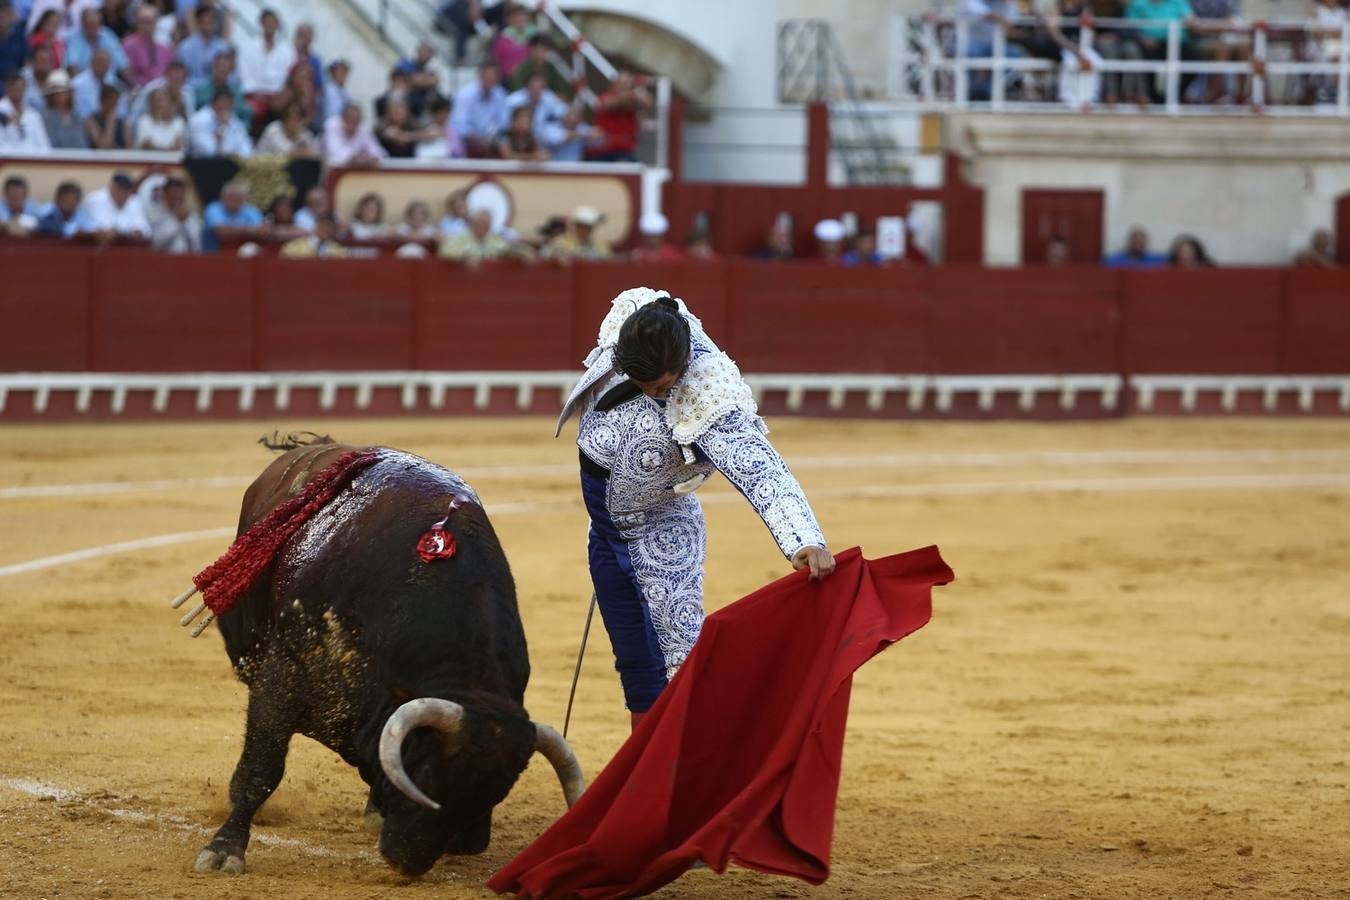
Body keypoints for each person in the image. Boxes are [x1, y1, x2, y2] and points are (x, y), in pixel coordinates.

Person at [558, 288, 836, 728]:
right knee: (635, 662)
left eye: (662, 386)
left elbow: (760, 468)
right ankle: (646, 773)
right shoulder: (637, 325)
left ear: (683, 364)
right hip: (606, 528)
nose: (651, 392)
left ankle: (681, 773)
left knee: (676, 664)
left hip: (659, 531)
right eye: (640, 383)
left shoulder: (710, 393)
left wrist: (804, 539)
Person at [587, 70, 651, 162]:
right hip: (602, 151)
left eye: (628, 83)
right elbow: (610, 105)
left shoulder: (632, 100)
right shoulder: (605, 97)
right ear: (614, 84)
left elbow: (648, 104)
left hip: (624, 151)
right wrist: (634, 92)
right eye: (623, 83)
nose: (625, 86)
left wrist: (640, 90)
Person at [70, 171, 151, 239]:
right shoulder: (95, 199)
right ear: (111, 187)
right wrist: (127, 231)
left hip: (127, 248)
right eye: (119, 188)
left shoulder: (134, 201)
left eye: (126, 189)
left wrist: (139, 231)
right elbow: (103, 228)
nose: (122, 193)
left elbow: (145, 228)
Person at [451, 60, 507, 157]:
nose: (491, 79)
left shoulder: (500, 94)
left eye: (494, 77)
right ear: (480, 75)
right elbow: (461, 128)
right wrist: (480, 141)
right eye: (488, 76)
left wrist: (492, 139)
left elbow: (503, 123)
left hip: (492, 143)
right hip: (466, 145)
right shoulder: (465, 95)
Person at [437, 206, 516, 263]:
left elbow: (508, 251)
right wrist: (465, 256)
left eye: (486, 224)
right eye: (480, 223)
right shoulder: (461, 237)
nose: (483, 227)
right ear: (473, 223)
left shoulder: (496, 239)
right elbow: (445, 251)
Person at [66, 6, 129, 76]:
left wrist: (134, 86)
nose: (93, 28)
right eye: (89, 24)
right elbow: (73, 66)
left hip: (110, 81)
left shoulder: (108, 35)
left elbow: (123, 64)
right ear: (82, 24)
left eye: (96, 24)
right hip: (84, 80)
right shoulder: (74, 39)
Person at [188, 86, 252, 156]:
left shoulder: (234, 120)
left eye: (229, 103)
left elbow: (247, 149)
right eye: (223, 102)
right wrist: (221, 128)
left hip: (231, 162)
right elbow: (208, 151)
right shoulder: (198, 120)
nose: (225, 106)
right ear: (213, 103)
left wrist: (236, 155)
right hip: (203, 163)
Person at [202, 179, 263, 252]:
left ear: (244, 198)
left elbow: (261, 231)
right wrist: (249, 230)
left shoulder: (251, 210)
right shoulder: (213, 208)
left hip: (246, 253)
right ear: (222, 197)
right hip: (215, 253)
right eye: (230, 196)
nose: (234, 199)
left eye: (238, 196)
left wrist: (235, 231)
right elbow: (221, 232)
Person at [122, 3, 171, 87]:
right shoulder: (128, 45)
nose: (146, 26)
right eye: (143, 22)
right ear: (137, 23)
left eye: (150, 22)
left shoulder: (163, 46)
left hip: (163, 90)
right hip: (140, 91)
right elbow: (127, 74)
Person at [322, 101, 385, 166]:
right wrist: (357, 158)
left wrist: (373, 157)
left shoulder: (364, 128)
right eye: (349, 119)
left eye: (356, 120)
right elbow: (334, 152)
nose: (352, 124)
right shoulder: (331, 125)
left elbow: (377, 150)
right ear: (342, 118)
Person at [175, 4, 226, 82]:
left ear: (215, 24)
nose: (207, 27)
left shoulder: (222, 47)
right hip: (192, 89)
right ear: (198, 23)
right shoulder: (186, 47)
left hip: (215, 89)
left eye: (210, 22)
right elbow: (180, 74)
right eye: (204, 22)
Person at [0, 69, 49, 151]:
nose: (17, 92)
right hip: (8, 161)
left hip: (33, 161)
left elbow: (44, 145)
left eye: (20, 88)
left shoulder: (33, 115)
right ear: (7, 89)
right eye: (14, 88)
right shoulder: (1, 111)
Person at [542, 204, 613, 261]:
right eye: (583, 226)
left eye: (590, 227)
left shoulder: (599, 245)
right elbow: (544, 256)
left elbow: (608, 260)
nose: (587, 230)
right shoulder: (561, 242)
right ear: (577, 226)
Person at [151, 178, 203, 253]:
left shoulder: (191, 217)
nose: (178, 197)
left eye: (181, 193)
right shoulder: (156, 214)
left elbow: (197, 243)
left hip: (190, 260)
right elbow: (157, 243)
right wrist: (176, 221)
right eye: (174, 193)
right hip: (165, 260)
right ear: (165, 194)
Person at [39, 69, 87, 147]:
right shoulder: (44, 117)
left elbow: (82, 144)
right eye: (56, 93)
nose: (59, 96)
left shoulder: (76, 116)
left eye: (62, 92)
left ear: (69, 93)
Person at [133, 84, 185, 150]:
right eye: (157, 100)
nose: (159, 104)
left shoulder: (179, 122)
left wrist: (159, 148)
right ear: (151, 103)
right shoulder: (144, 120)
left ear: (171, 103)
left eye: (162, 100)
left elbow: (178, 145)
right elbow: (146, 144)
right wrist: (168, 148)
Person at [279, 211, 347, 257]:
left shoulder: (338, 251)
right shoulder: (293, 247)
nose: (326, 229)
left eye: (330, 227)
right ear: (316, 226)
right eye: (323, 225)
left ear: (334, 231)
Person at [85, 81, 126, 148]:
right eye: (112, 100)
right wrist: (111, 122)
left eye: (116, 101)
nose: (115, 104)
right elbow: (103, 146)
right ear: (103, 100)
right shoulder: (91, 120)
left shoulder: (122, 123)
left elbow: (129, 148)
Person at [1103, 225, 1167, 267]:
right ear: (1129, 242)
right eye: (1135, 240)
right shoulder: (1115, 260)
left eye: (1141, 241)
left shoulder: (1156, 260)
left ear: (1146, 243)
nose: (1138, 244)